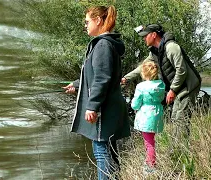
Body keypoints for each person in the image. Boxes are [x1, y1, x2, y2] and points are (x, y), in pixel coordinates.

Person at [63, 5, 130, 180]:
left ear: (98, 20)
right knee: (109, 151)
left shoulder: (102, 45)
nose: (85, 25)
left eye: (87, 22)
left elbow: (102, 79)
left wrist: (92, 106)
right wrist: (78, 85)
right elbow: (97, 75)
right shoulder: (106, 44)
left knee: (102, 152)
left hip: (104, 110)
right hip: (110, 106)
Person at [121, 24, 201, 140]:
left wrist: (172, 90)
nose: (144, 39)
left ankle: (181, 150)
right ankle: (178, 149)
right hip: (180, 86)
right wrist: (126, 78)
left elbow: (182, 70)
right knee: (175, 117)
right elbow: (142, 67)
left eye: (145, 36)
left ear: (154, 35)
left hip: (189, 86)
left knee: (181, 118)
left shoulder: (171, 47)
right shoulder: (155, 51)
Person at [131, 60, 165, 173]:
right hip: (157, 113)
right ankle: (149, 161)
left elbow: (135, 104)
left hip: (146, 116)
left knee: (149, 142)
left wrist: (134, 106)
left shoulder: (141, 86)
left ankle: (151, 166)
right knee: (151, 139)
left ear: (144, 73)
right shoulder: (161, 84)